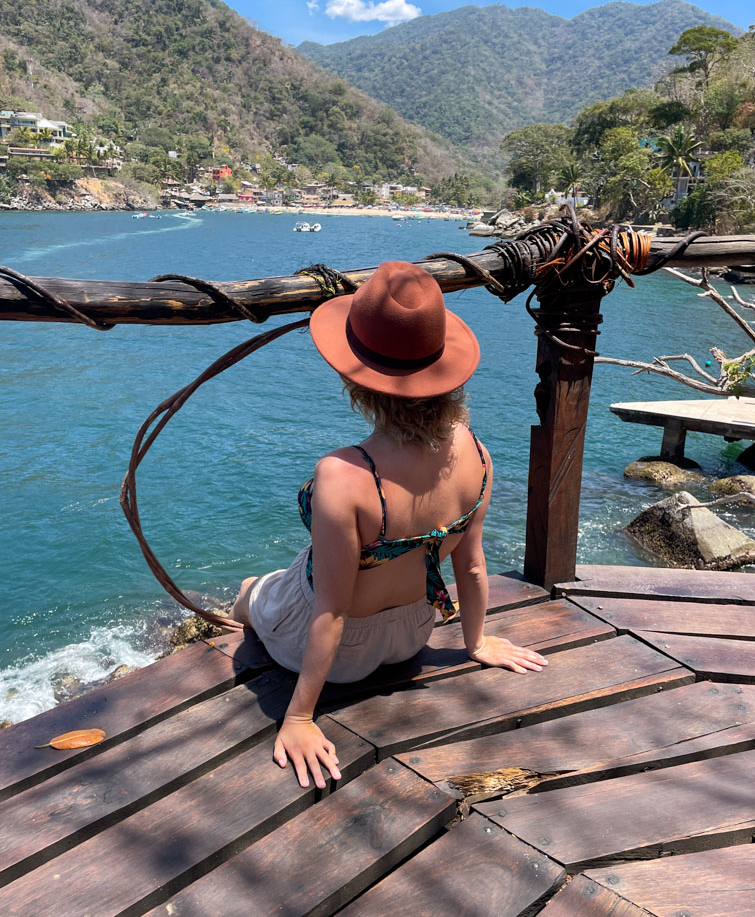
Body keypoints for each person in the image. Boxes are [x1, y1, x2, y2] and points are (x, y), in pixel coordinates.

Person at [231, 260, 547, 789]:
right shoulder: (477, 453)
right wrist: (477, 643)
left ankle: (241, 608)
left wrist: (301, 716)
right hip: (413, 633)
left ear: (358, 382)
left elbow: (332, 610)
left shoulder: (343, 473)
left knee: (252, 590)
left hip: (340, 659)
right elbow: (470, 566)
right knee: (296, 583)